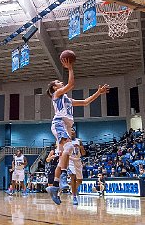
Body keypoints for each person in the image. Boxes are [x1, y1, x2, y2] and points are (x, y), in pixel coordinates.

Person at [46, 57, 109, 205]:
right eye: (58, 82)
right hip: (59, 122)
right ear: (55, 88)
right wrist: (70, 68)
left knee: (63, 156)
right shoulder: (57, 95)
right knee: (68, 148)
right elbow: (71, 83)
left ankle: (54, 187)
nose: (60, 83)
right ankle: (62, 177)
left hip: (66, 126)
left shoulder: (67, 99)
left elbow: (86, 102)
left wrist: (98, 93)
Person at [68, 128, 86, 205]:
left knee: (79, 181)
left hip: (78, 160)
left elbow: (84, 153)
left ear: (75, 132)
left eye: (73, 130)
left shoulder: (79, 141)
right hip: (70, 160)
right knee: (73, 176)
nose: (72, 132)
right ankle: (74, 196)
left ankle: (72, 188)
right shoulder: (67, 141)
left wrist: (80, 147)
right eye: (70, 131)